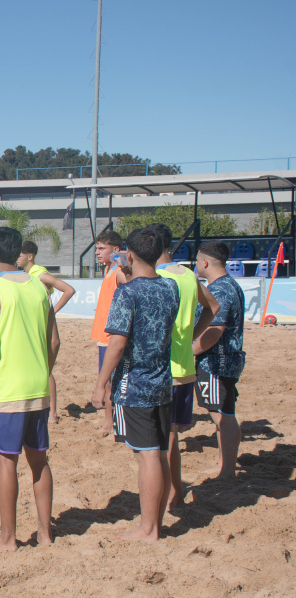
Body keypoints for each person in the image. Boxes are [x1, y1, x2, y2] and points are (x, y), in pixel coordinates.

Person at [0, 227, 58, 551]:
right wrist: (43, 370)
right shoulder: (39, 285)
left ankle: (8, 538)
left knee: (6, 461)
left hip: (7, 389)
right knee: (39, 461)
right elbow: (54, 341)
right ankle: (45, 535)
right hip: (37, 386)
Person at [92, 228, 180, 541]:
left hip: (136, 382)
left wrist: (101, 384)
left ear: (129, 253)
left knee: (147, 456)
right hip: (162, 379)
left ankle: (149, 528)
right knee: (159, 451)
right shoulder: (171, 287)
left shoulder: (128, 292)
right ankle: (155, 521)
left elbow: (117, 343)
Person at [148, 223, 219, 510]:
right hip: (185, 366)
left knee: (159, 443)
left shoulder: (158, 277)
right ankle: (176, 493)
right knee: (172, 438)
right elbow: (211, 306)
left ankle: (164, 499)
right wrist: (190, 335)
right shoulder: (187, 274)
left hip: (161, 369)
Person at [192, 241, 246, 480]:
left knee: (221, 415)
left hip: (216, 362)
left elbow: (215, 331)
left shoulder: (220, 289)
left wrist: (190, 351)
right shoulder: (230, 284)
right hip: (225, 360)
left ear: (204, 262)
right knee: (222, 412)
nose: (195, 265)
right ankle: (226, 465)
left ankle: (227, 470)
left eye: (196, 260)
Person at [17, 241, 76, 424]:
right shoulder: (25, 275)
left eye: (19, 255)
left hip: (45, 330)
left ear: (29, 256)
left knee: (46, 371)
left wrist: (53, 311)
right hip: (36, 328)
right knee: (40, 370)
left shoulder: (40, 274)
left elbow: (68, 290)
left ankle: (52, 413)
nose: (16, 258)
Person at [89, 230, 128, 438]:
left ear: (115, 249)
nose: (97, 252)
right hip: (103, 336)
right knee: (109, 382)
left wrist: (117, 255)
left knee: (114, 382)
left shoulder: (120, 270)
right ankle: (108, 422)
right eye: (96, 248)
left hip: (113, 336)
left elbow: (131, 279)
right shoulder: (109, 269)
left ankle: (115, 425)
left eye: (102, 248)